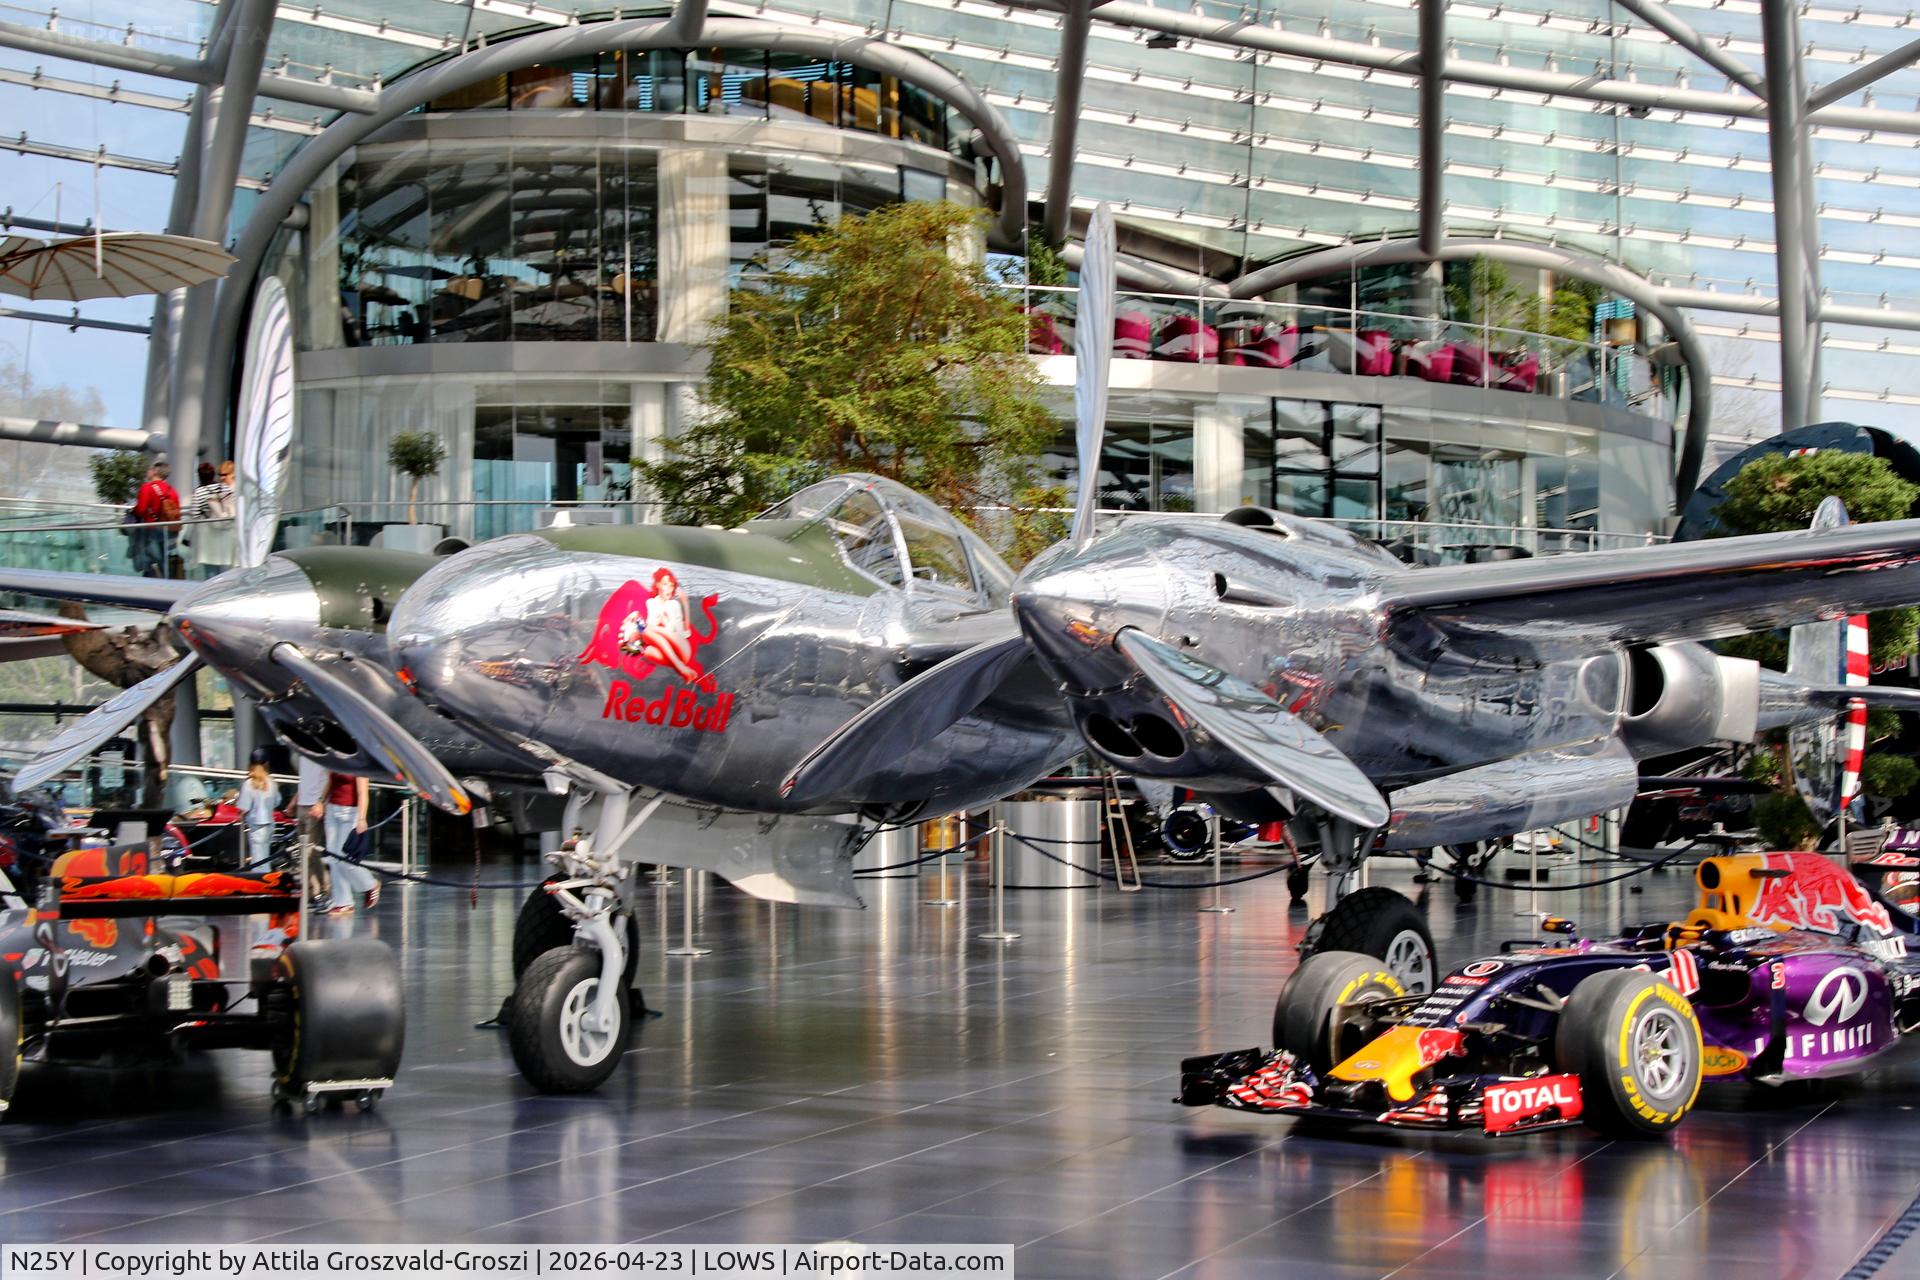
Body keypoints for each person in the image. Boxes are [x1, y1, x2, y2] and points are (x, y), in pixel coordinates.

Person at [317, 770, 379, 915]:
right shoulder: (336, 761)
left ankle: (370, 884)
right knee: (333, 859)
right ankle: (343, 902)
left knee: (344, 859)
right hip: (332, 810)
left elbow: (363, 793)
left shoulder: (358, 765)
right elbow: (330, 782)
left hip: (350, 813)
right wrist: (320, 801)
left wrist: (362, 819)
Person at [131, 460, 181, 578]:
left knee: (152, 558)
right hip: (169, 531)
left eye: (150, 469)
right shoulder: (171, 490)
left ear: (154, 472)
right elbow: (176, 511)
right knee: (163, 558)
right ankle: (166, 579)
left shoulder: (147, 487)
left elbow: (141, 510)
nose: (148, 472)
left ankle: (158, 582)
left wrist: (133, 511)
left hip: (151, 529)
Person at [189, 460, 238, 578]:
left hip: (208, 535)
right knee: (226, 568)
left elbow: (194, 514)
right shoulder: (225, 488)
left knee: (211, 570)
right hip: (226, 532)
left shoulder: (199, 491)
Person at [295, 755, 332, 908]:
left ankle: (318, 891)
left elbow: (330, 778)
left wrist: (320, 802)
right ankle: (318, 890)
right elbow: (304, 780)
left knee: (309, 852)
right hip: (302, 804)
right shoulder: (303, 754)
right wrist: (294, 802)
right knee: (306, 852)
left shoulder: (322, 753)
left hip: (314, 805)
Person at [236, 747, 280, 868]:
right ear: (266, 764)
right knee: (265, 858)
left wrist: (240, 815)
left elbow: (244, 807)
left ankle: (261, 885)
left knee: (258, 861)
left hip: (256, 827)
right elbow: (277, 801)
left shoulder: (249, 784)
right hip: (269, 825)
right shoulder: (272, 782)